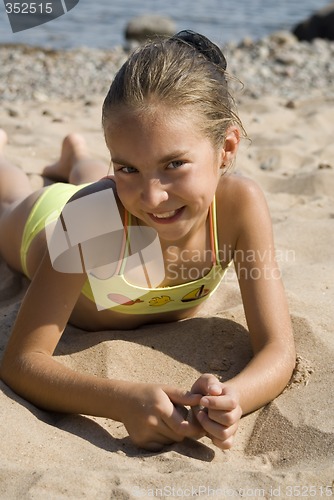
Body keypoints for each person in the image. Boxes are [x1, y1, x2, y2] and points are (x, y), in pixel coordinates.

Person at [0, 31, 295, 452]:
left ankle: (75, 156)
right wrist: (120, 401)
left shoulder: (240, 208)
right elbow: (21, 362)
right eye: (126, 166)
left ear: (226, 148)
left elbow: (278, 349)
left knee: (116, 193)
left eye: (174, 164)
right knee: (10, 201)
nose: (155, 194)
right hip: (50, 226)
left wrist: (235, 397)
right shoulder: (89, 216)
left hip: (112, 204)